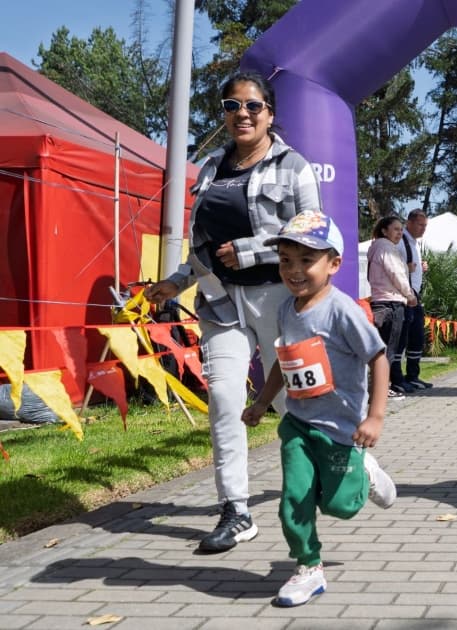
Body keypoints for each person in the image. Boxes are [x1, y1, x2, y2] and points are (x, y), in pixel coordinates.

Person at [144, 71, 322, 553]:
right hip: (220, 302)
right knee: (224, 400)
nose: (241, 113)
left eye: (252, 106)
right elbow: (202, 247)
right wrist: (174, 282)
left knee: (294, 403)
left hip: (277, 298)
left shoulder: (293, 166)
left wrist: (252, 250)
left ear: (270, 114)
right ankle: (236, 511)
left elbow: (315, 232)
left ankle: (350, 464)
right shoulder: (210, 170)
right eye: (231, 105)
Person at [242, 210, 396, 607]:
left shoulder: (343, 310)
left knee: (340, 506)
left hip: (342, 429)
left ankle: (363, 470)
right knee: (294, 497)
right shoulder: (284, 310)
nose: (294, 271)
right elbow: (283, 359)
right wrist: (261, 401)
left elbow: (378, 357)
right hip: (298, 424)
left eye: (306, 261)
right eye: (286, 261)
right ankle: (308, 567)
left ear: (333, 264)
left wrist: (375, 416)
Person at [366, 215, 419, 399]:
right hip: (391, 303)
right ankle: (380, 390)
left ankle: (378, 388)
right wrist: (410, 295)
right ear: (384, 230)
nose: (399, 233)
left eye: (400, 229)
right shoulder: (385, 247)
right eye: (395, 229)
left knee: (383, 349)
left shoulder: (377, 247)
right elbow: (395, 273)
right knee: (388, 350)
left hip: (382, 301)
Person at [396, 208, 434, 389]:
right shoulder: (400, 241)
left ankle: (413, 375)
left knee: (417, 338)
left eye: (425, 226)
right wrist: (408, 268)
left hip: (415, 297)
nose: (423, 229)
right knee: (401, 340)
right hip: (403, 298)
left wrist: (421, 267)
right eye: (420, 224)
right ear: (409, 223)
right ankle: (397, 379)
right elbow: (393, 267)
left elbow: (411, 266)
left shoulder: (414, 244)